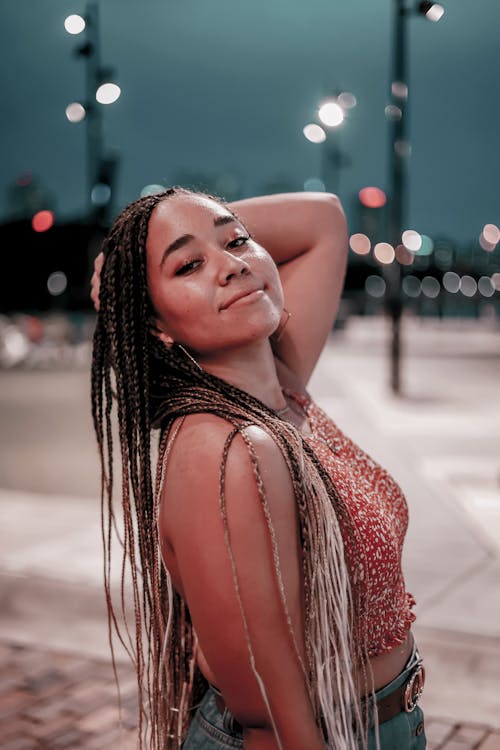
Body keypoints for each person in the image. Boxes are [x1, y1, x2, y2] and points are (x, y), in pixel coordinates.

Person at [90, 187, 426, 750]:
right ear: (156, 325)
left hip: (386, 723)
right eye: (189, 265)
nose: (230, 266)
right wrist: (135, 256)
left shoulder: (282, 385)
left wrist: (147, 240)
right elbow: (269, 716)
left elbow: (324, 219)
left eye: (239, 241)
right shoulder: (223, 449)